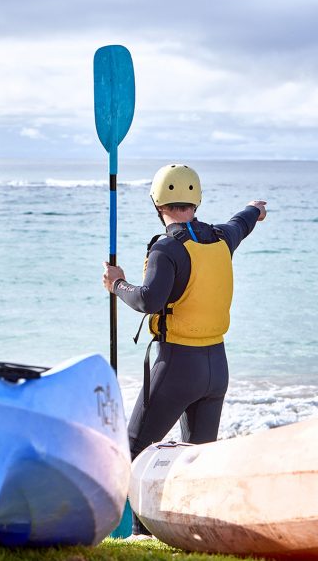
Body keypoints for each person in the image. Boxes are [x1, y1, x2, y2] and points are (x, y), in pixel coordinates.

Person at [102, 163, 266, 531]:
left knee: (133, 450)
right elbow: (243, 221)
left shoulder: (166, 249)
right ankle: (188, 532)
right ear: (197, 200)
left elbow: (148, 301)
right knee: (196, 460)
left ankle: (138, 533)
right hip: (216, 367)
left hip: (177, 366)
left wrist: (117, 284)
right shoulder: (222, 237)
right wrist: (256, 208)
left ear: (157, 203)